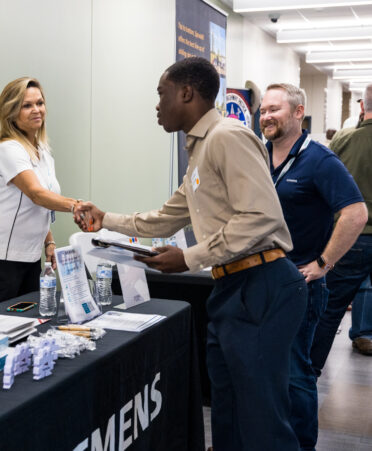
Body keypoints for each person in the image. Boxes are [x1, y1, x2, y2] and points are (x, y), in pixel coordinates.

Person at [75, 57, 308, 451]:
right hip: (232, 286)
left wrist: (189, 258)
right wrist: (107, 220)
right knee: (230, 412)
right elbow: (167, 217)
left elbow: (260, 217)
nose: (157, 105)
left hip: (261, 284)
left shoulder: (226, 137)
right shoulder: (200, 150)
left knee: (262, 421)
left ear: (187, 93)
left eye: (161, 94)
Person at [259, 83, 367, 451]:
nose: (267, 116)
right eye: (263, 110)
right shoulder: (260, 157)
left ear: (297, 113)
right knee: (268, 371)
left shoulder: (319, 160)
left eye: (275, 109)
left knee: (296, 373)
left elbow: (356, 212)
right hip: (261, 282)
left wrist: (323, 263)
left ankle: (301, 445)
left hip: (300, 285)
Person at [0, 77, 82, 302]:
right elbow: (36, 194)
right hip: (5, 261)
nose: (36, 110)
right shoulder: (9, 149)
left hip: (30, 256)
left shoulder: (43, 151)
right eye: (27, 105)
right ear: (10, 112)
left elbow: (41, 203)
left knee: (30, 325)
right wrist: (78, 206)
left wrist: (49, 241)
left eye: (40, 103)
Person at [311, 84, 372, 367]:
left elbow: (320, 186)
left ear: (362, 106)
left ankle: (309, 372)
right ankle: (362, 333)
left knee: (329, 309)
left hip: (351, 238)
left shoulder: (343, 139)